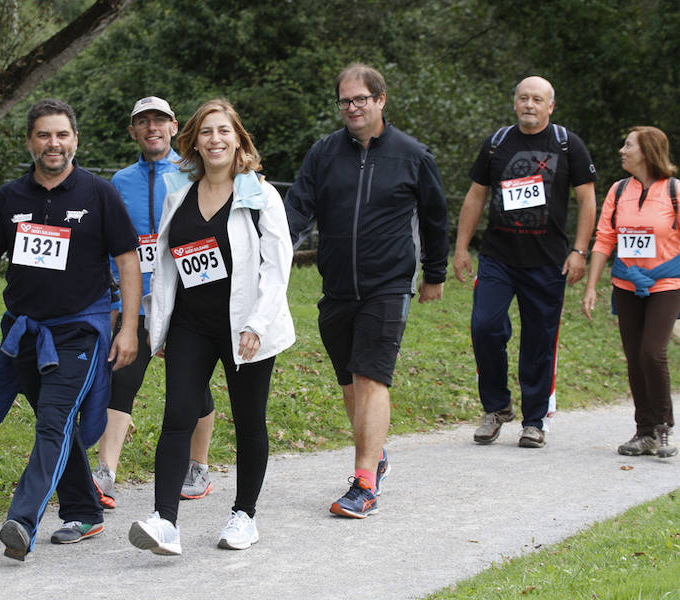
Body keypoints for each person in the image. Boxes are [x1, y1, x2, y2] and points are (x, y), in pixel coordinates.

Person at [0, 98, 141, 561]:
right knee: (53, 424)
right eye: (43, 135)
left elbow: (128, 261)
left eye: (61, 135)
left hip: (80, 331)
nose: (52, 144)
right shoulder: (10, 197)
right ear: (30, 141)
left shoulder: (98, 194)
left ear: (75, 139)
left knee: (54, 420)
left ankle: (23, 520)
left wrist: (129, 328)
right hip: (25, 332)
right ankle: (85, 510)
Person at [128, 98, 294, 554]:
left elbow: (276, 269)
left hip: (246, 328)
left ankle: (244, 515)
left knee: (248, 421)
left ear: (238, 139)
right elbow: (165, 268)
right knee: (177, 415)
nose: (215, 139)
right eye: (206, 132)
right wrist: (158, 327)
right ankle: (165, 522)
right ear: (194, 142)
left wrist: (258, 323)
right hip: (191, 326)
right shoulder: (180, 196)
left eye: (224, 131)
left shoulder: (260, 196)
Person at [285, 63, 449, 519]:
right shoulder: (323, 153)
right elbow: (297, 209)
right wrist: (270, 249)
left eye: (360, 99)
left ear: (380, 100)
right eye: (345, 100)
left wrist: (434, 274)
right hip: (336, 286)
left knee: (371, 376)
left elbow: (436, 218)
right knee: (350, 383)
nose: (352, 107)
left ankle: (363, 483)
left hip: (389, 283)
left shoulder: (412, 155)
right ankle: (375, 456)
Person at [453, 76, 597, 448]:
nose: (529, 104)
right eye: (523, 98)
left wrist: (580, 251)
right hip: (498, 257)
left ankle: (534, 421)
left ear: (551, 106)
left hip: (548, 262)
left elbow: (587, 199)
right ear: (514, 103)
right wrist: (461, 247)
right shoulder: (497, 143)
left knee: (539, 341)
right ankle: (497, 408)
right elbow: (475, 196)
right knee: (484, 327)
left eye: (537, 99)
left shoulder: (567, 144)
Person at [93, 97, 216, 509]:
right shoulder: (118, 181)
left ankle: (197, 466)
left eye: (159, 121)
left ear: (173, 127)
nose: (152, 128)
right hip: (135, 302)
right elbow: (110, 245)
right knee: (121, 378)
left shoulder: (193, 173)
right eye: (142, 122)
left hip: (186, 301)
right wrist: (112, 298)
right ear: (133, 131)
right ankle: (104, 473)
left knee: (193, 387)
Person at [582, 126, 679, 459]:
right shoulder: (619, 190)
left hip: (666, 284)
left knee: (653, 353)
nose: (622, 150)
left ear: (647, 151)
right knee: (636, 357)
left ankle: (663, 428)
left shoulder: (675, 192)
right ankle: (644, 431)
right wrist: (592, 286)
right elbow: (605, 239)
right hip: (625, 283)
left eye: (628, 145)